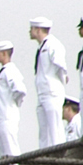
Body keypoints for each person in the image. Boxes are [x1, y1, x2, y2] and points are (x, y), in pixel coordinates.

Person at [26, 19, 69, 148]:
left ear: (38, 30)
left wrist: (59, 84)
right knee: (44, 130)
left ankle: (60, 154)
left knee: (55, 127)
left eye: (32, 29)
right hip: (42, 92)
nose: (30, 32)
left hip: (51, 91)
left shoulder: (53, 44)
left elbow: (61, 67)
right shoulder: (42, 46)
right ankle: (45, 155)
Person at [0, 43, 28, 158]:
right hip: (1, 114)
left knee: (10, 145)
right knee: (3, 146)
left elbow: (20, 90)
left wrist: (14, 103)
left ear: (4, 53)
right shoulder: (4, 71)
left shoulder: (10, 70)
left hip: (7, 114)